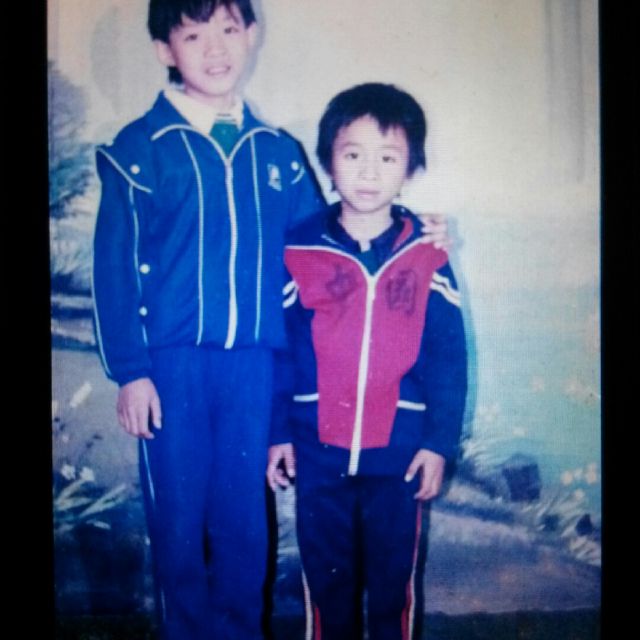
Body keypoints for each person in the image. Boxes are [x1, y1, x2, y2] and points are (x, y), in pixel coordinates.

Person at [92, 1, 448, 638]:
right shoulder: (139, 151)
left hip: (258, 366)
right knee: (178, 521)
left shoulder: (278, 153)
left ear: (251, 36)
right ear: (165, 49)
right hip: (171, 368)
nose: (216, 48)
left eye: (229, 29)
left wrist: (412, 231)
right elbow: (113, 267)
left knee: (243, 525)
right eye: (193, 34)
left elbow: (331, 244)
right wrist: (130, 370)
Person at [267, 83, 468, 640]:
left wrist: (438, 443)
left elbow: (449, 358)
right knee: (325, 583)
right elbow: (281, 352)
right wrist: (277, 432)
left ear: (410, 168)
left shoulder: (427, 254)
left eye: (388, 157)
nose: (369, 172)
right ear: (329, 161)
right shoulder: (299, 250)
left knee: (392, 585)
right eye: (353, 154)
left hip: (400, 452)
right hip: (317, 449)